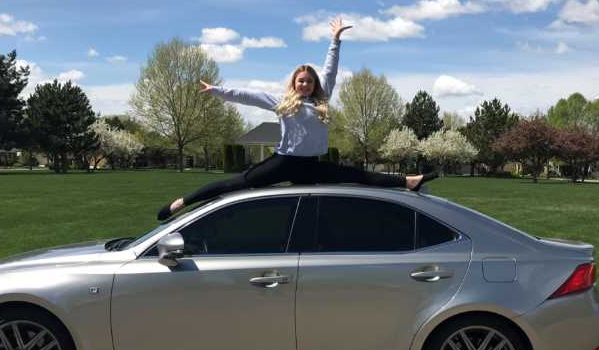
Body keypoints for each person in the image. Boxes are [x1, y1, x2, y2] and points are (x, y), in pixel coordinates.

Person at [157, 17, 436, 220]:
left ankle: (408, 181)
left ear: (314, 84)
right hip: (282, 163)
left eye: (309, 81)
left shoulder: (321, 99)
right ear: (294, 82)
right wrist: (217, 90)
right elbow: (247, 95)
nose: (305, 84)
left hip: (312, 166)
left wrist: (335, 40)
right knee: (236, 184)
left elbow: (330, 68)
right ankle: (182, 203)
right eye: (301, 81)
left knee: (357, 176)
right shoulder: (283, 102)